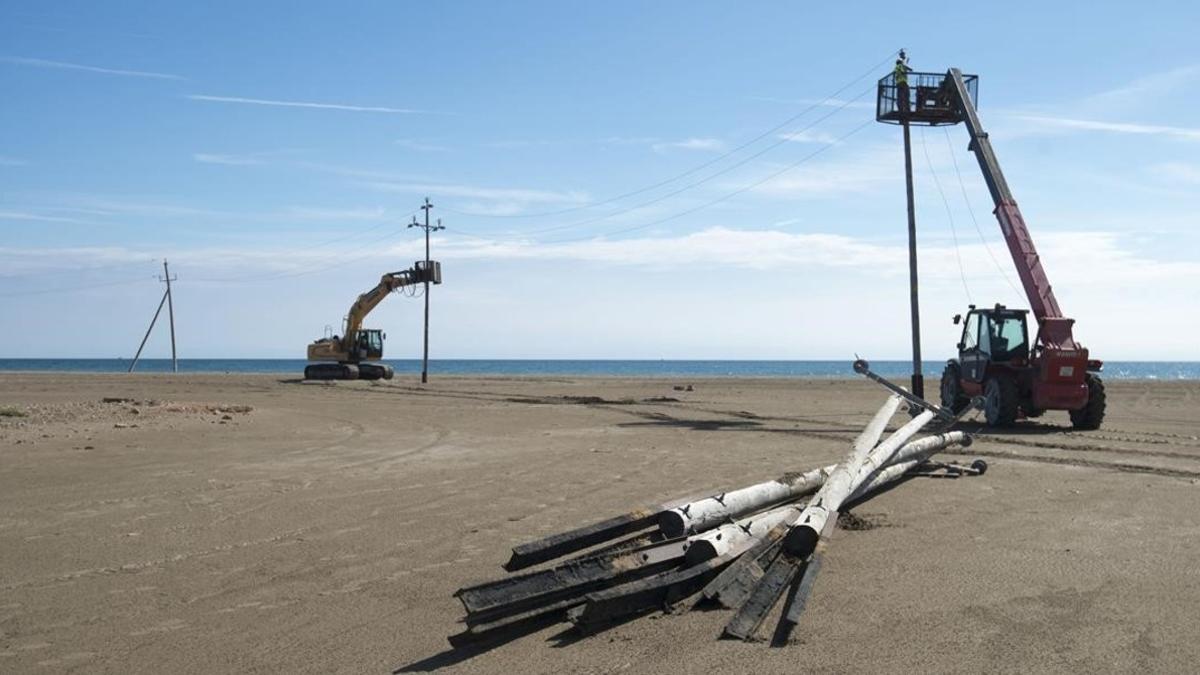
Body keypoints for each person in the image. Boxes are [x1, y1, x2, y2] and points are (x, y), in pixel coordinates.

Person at [894, 50, 912, 115]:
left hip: (898, 83)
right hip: (903, 82)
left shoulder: (896, 67)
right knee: (907, 95)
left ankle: (900, 108)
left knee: (900, 97)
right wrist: (909, 70)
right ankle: (907, 108)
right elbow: (903, 69)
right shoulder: (900, 66)